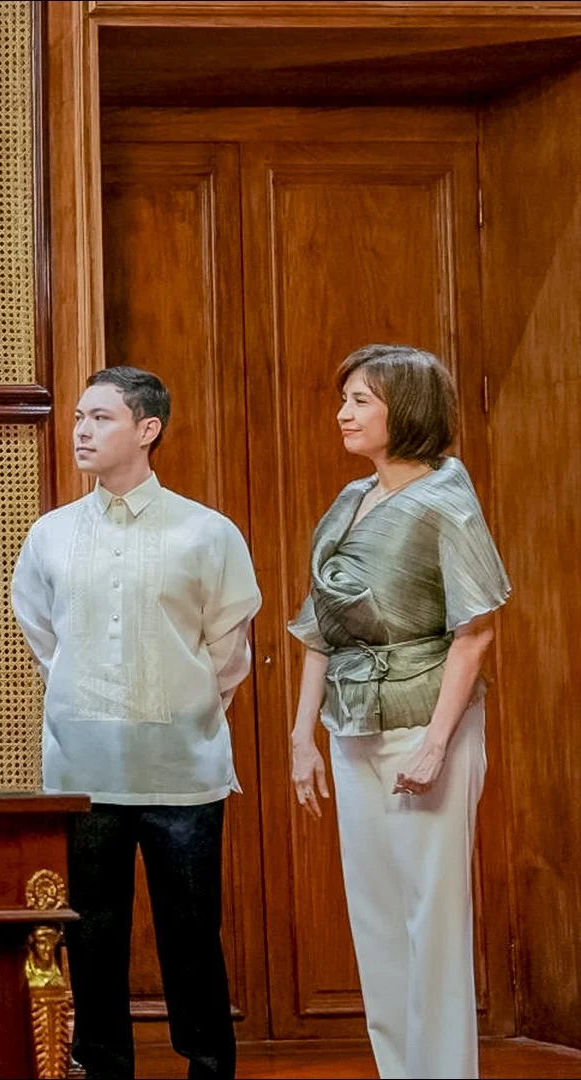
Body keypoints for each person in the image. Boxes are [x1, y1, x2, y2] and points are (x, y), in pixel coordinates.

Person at [10, 366, 261, 1080]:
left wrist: (176, 705)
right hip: (82, 771)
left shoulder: (206, 531)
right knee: (91, 935)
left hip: (184, 768)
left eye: (101, 418)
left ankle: (208, 1066)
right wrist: (91, 695)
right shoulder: (51, 533)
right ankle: (102, 1066)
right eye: (79, 417)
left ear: (148, 429)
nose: (82, 431)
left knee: (192, 935)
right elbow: (43, 636)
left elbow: (228, 649)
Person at [286, 345, 508, 1080]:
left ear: (405, 410)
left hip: (424, 722)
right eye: (344, 398)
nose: (343, 414)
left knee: (432, 919)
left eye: (361, 401)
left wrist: (438, 744)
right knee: (376, 917)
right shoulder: (351, 499)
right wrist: (302, 735)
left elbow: (475, 633)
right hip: (351, 725)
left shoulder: (446, 499)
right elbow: (319, 626)